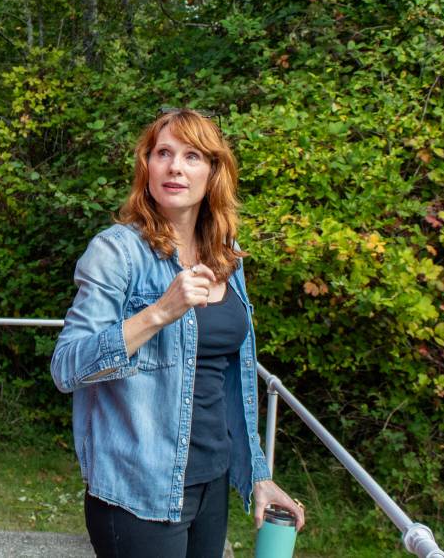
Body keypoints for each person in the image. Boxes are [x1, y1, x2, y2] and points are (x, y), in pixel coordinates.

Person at [51, 109, 305, 557]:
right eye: (163, 153)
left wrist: (258, 476)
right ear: (146, 166)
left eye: (192, 156)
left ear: (213, 172)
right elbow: (67, 367)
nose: (174, 167)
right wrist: (159, 312)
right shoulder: (116, 252)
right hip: (139, 490)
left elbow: (232, 380)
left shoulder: (228, 258)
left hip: (212, 480)